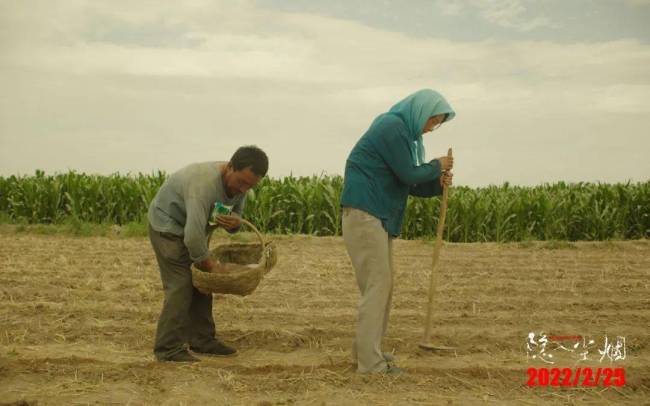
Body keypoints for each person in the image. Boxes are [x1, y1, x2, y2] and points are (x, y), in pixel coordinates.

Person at [340, 89, 455, 374]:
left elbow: (412, 184)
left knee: (382, 287)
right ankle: (370, 364)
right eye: (432, 121)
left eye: (437, 124)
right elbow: (409, 174)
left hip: (376, 216)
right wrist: (435, 166)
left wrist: (436, 182)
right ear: (420, 112)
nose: (431, 128)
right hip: (365, 213)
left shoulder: (406, 136)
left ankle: (369, 352)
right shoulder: (393, 127)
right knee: (378, 286)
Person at [147, 145, 269, 362]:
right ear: (230, 167)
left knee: (203, 284)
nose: (243, 189)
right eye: (241, 182)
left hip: (194, 229)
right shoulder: (203, 184)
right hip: (167, 226)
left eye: (250, 186)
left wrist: (233, 224)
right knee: (181, 285)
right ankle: (168, 349)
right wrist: (213, 266)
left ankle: (202, 340)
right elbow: (192, 238)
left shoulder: (241, 187)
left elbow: (235, 223)